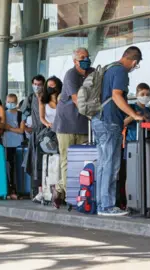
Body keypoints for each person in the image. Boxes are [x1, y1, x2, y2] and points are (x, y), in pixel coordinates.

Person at [93, 46, 143, 216]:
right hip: (110, 122)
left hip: (98, 120)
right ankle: (107, 206)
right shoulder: (121, 72)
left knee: (102, 163)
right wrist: (133, 115)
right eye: (135, 65)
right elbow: (116, 95)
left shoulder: (110, 68)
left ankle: (100, 203)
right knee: (111, 164)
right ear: (134, 61)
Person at [52, 48, 93, 206]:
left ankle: (61, 188)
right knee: (67, 160)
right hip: (66, 124)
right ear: (75, 61)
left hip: (83, 124)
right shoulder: (71, 75)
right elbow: (77, 99)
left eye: (87, 56)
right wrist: (92, 114)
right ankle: (70, 195)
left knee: (83, 161)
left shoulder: (92, 73)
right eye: (82, 57)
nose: (86, 59)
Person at [20, 75, 46, 203]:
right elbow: (24, 115)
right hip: (35, 135)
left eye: (39, 84)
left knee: (44, 163)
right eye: (35, 84)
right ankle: (36, 191)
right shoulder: (30, 98)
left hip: (47, 133)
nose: (37, 86)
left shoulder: (47, 97)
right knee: (35, 163)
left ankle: (45, 191)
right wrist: (25, 128)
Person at [4, 93, 25, 199]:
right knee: (9, 168)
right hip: (7, 144)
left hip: (18, 144)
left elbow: (21, 130)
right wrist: (13, 129)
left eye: (13, 102)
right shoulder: (3, 113)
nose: (10, 104)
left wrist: (9, 128)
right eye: (8, 102)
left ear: (16, 103)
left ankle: (18, 189)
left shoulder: (21, 114)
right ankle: (10, 189)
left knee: (17, 168)